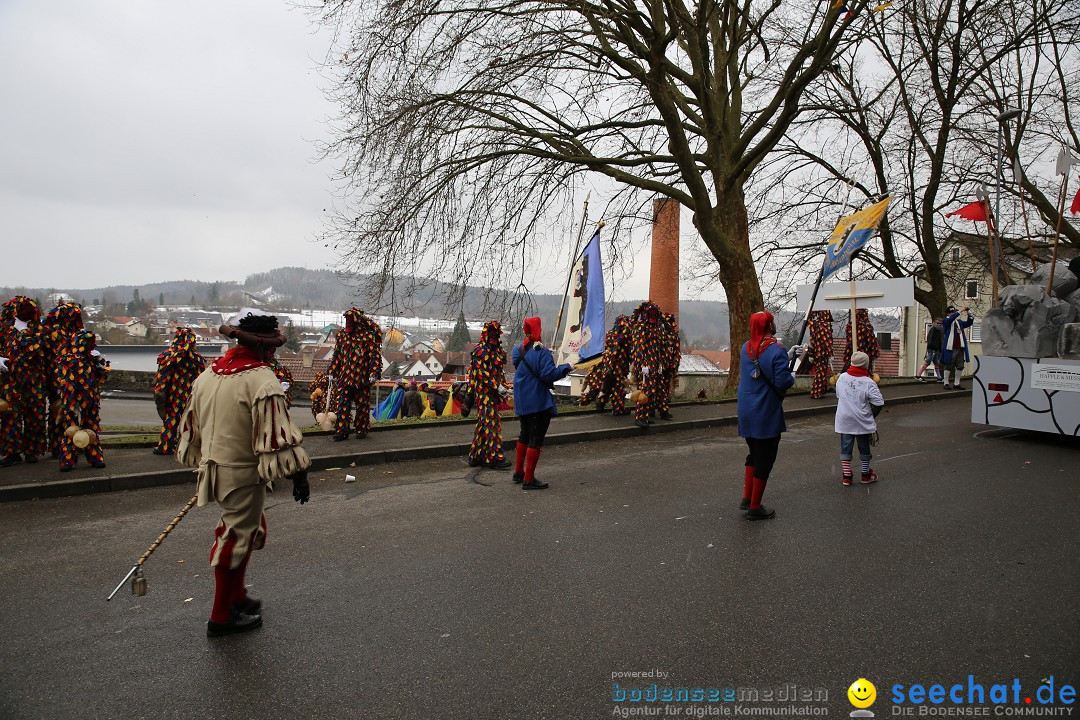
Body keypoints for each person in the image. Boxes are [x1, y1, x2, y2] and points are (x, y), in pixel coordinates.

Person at [177, 310, 311, 637]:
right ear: (264, 348)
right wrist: (298, 475)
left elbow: (193, 428)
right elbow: (276, 436)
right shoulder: (261, 379)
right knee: (234, 538)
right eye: (273, 349)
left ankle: (237, 597)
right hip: (242, 473)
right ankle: (221, 616)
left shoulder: (208, 375)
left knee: (247, 530)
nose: (275, 354)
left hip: (215, 469)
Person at [736, 311, 796, 520]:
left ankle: (746, 497)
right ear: (769, 326)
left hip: (746, 409)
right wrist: (791, 375)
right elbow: (781, 381)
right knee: (766, 457)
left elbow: (761, 364)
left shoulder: (745, 348)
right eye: (772, 322)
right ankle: (755, 507)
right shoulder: (777, 349)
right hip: (765, 410)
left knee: (754, 452)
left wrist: (785, 359)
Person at [511, 317, 572, 489]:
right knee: (535, 439)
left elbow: (523, 364)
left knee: (524, 435)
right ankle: (529, 479)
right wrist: (566, 367)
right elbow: (549, 375)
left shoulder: (518, 350)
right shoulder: (542, 353)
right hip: (537, 400)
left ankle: (518, 472)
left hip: (522, 399)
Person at [0, 297, 49, 467]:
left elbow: (39, 350)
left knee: (34, 414)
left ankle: (32, 450)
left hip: (33, 379)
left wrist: (24, 332)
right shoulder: (5, 328)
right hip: (10, 379)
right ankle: (12, 452)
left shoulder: (37, 329)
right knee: (10, 415)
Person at [55, 329, 110, 472]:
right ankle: (67, 460)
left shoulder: (91, 360)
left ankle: (95, 457)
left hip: (91, 401)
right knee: (71, 429)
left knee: (91, 428)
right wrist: (72, 403)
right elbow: (66, 383)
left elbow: (102, 376)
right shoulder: (69, 360)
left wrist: (101, 364)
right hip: (73, 402)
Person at [328, 308, 382, 440]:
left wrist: (374, 372)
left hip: (362, 378)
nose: (348, 324)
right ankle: (342, 430)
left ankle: (361, 429)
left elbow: (375, 356)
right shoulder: (342, 336)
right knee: (341, 405)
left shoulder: (368, 337)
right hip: (345, 378)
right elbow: (337, 355)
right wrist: (332, 371)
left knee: (362, 406)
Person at [151, 327, 206, 455]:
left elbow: (162, 377)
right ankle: (187, 448)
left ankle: (165, 447)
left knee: (171, 419)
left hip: (173, 395)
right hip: (190, 394)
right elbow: (201, 378)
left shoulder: (169, 356)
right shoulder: (197, 359)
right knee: (190, 420)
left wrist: (160, 392)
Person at [465, 320, 511, 469]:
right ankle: (495, 458)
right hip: (482, 393)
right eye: (490, 332)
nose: (493, 335)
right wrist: (497, 386)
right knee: (492, 423)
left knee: (484, 424)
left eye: (495, 333)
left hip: (493, 393)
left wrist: (503, 387)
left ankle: (476, 456)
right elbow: (480, 374)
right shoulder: (480, 350)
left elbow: (499, 372)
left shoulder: (497, 351)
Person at [834, 351, 884, 485]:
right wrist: (871, 416)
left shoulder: (842, 378)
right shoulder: (868, 382)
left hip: (844, 418)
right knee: (864, 447)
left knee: (845, 446)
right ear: (866, 365)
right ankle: (866, 475)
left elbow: (839, 395)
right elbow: (879, 402)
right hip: (862, 419)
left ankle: (847, 476)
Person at [578, 314, 632, 415]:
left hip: (607, 366)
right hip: (619, 367)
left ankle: (600, 405)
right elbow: (628, 351)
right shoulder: (624, 337)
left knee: (606, 386)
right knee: (618, 388)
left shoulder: (610, 334)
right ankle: (618, 409)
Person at [629, 301, 666, 429]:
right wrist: (643, 364)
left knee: (652, 391)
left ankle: (645, 416)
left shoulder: (655, 328)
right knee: (644, 390)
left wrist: (659, 363)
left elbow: (658, 347)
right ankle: (639, 416)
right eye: (651, 314)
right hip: (645, 366)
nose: (653, 317)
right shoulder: (641, 327)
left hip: (655, 364)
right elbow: (639, 347)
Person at [941, 305, 974, 390]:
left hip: (960, 347)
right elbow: (950, 319)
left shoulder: (959, 322)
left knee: (960, 366)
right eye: (953, 312)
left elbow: (969, 323)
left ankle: (957, 383)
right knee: (948, 365)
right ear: (949, 313)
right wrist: (959, 311)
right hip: (950, 347)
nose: (955, 313)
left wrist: (969, 312)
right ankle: (946, 383)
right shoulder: (946, 321)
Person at [916, 318, 943, 382]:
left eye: (940, 324)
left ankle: (939, 377)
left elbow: (939, 341)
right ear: (935, 323)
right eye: (938, 323)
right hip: (932, 348)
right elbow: (929, 339)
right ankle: (918, 375)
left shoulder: (939, 331)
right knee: (928, 362)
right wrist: (933, 347)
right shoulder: (933, 329)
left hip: (935, 349)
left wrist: (939, 349)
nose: (939, 325)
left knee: (936, 362)